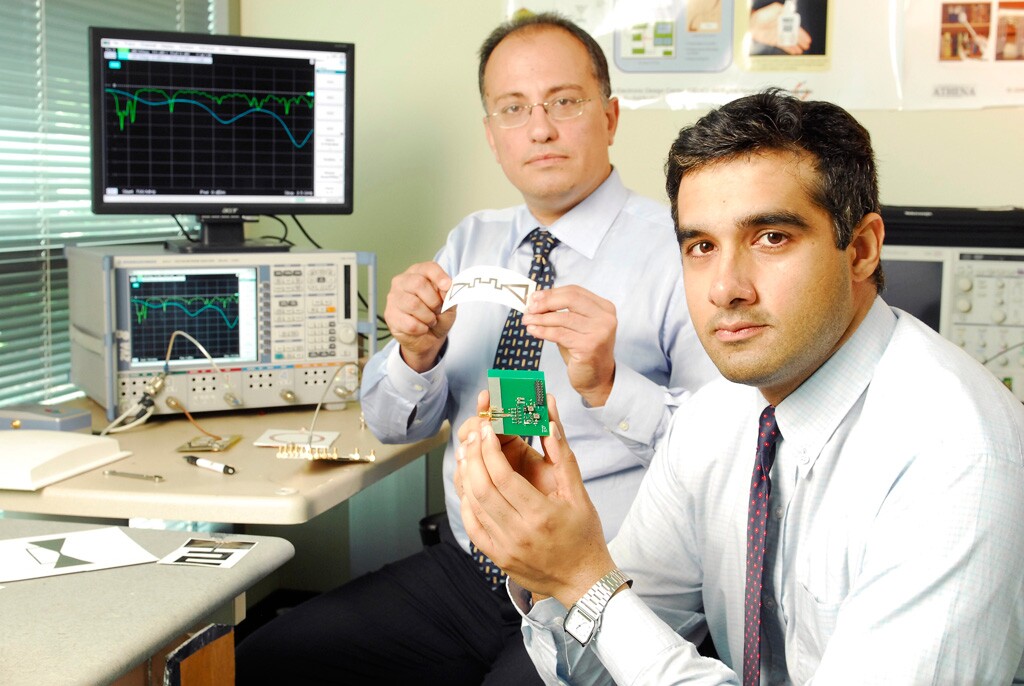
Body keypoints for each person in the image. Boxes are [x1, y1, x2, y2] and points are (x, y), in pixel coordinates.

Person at [455, 88, 1024, 684]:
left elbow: (605, 610)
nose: (725, 288)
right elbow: (597, 670)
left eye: (771, 237)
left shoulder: (959, 454)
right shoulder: (718, 416)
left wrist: (584, 581)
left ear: (860, 250)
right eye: (701, 246)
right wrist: (542, 557)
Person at [235, 12, 718, 685]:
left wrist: (609, 384)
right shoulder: (472, 242)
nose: (540, 128)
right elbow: (387, 423)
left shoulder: (685, 251)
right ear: (493, 137)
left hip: (605, 582)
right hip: (471, 573)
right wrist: (414, 355)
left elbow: (723, 463)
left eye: (564, 102)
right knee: (256, 664)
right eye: (513, 109)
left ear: (609, 118)